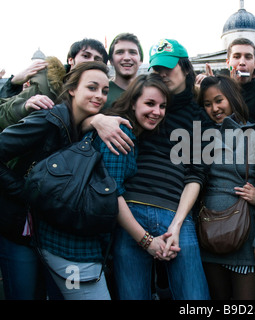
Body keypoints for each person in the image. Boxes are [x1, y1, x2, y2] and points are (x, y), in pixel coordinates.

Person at [90, 38, 211, 300]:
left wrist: (178, 225)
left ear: (186, 69)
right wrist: (97, 119)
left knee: (195, 298)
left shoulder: (199, 116)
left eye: (169, 68)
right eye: (157, 69)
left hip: (175, 213)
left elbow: (196, 174)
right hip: (131, 210)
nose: (162, 74)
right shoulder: (135, 109)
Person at [0, 61, 110, 299]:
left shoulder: (81, 129)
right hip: (17, 228)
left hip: (47, 233)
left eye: (104, 90)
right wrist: (24, 191)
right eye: (91, 87)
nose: (99, 95)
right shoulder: (46, 120)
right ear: (72, 89)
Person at [197, 74, 255, 300]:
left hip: (247, 242)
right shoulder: (199, 137)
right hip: (209, 239)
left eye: (218, 100)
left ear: (232, 98)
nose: (214, 108)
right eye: (207, 104)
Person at [0, 38, 108, 130]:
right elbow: (3, 116)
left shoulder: (101, 95)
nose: (91, 62)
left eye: (97, 59)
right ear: (71, 60)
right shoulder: (45, 83)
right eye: (85, 56)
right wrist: (22, 103)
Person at [103, 33, 144, 110]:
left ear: (141, 60)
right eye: (120, 52)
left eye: (132, 52)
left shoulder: (149, 90)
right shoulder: (102, 92)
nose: (127, 58)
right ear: (111, 60)